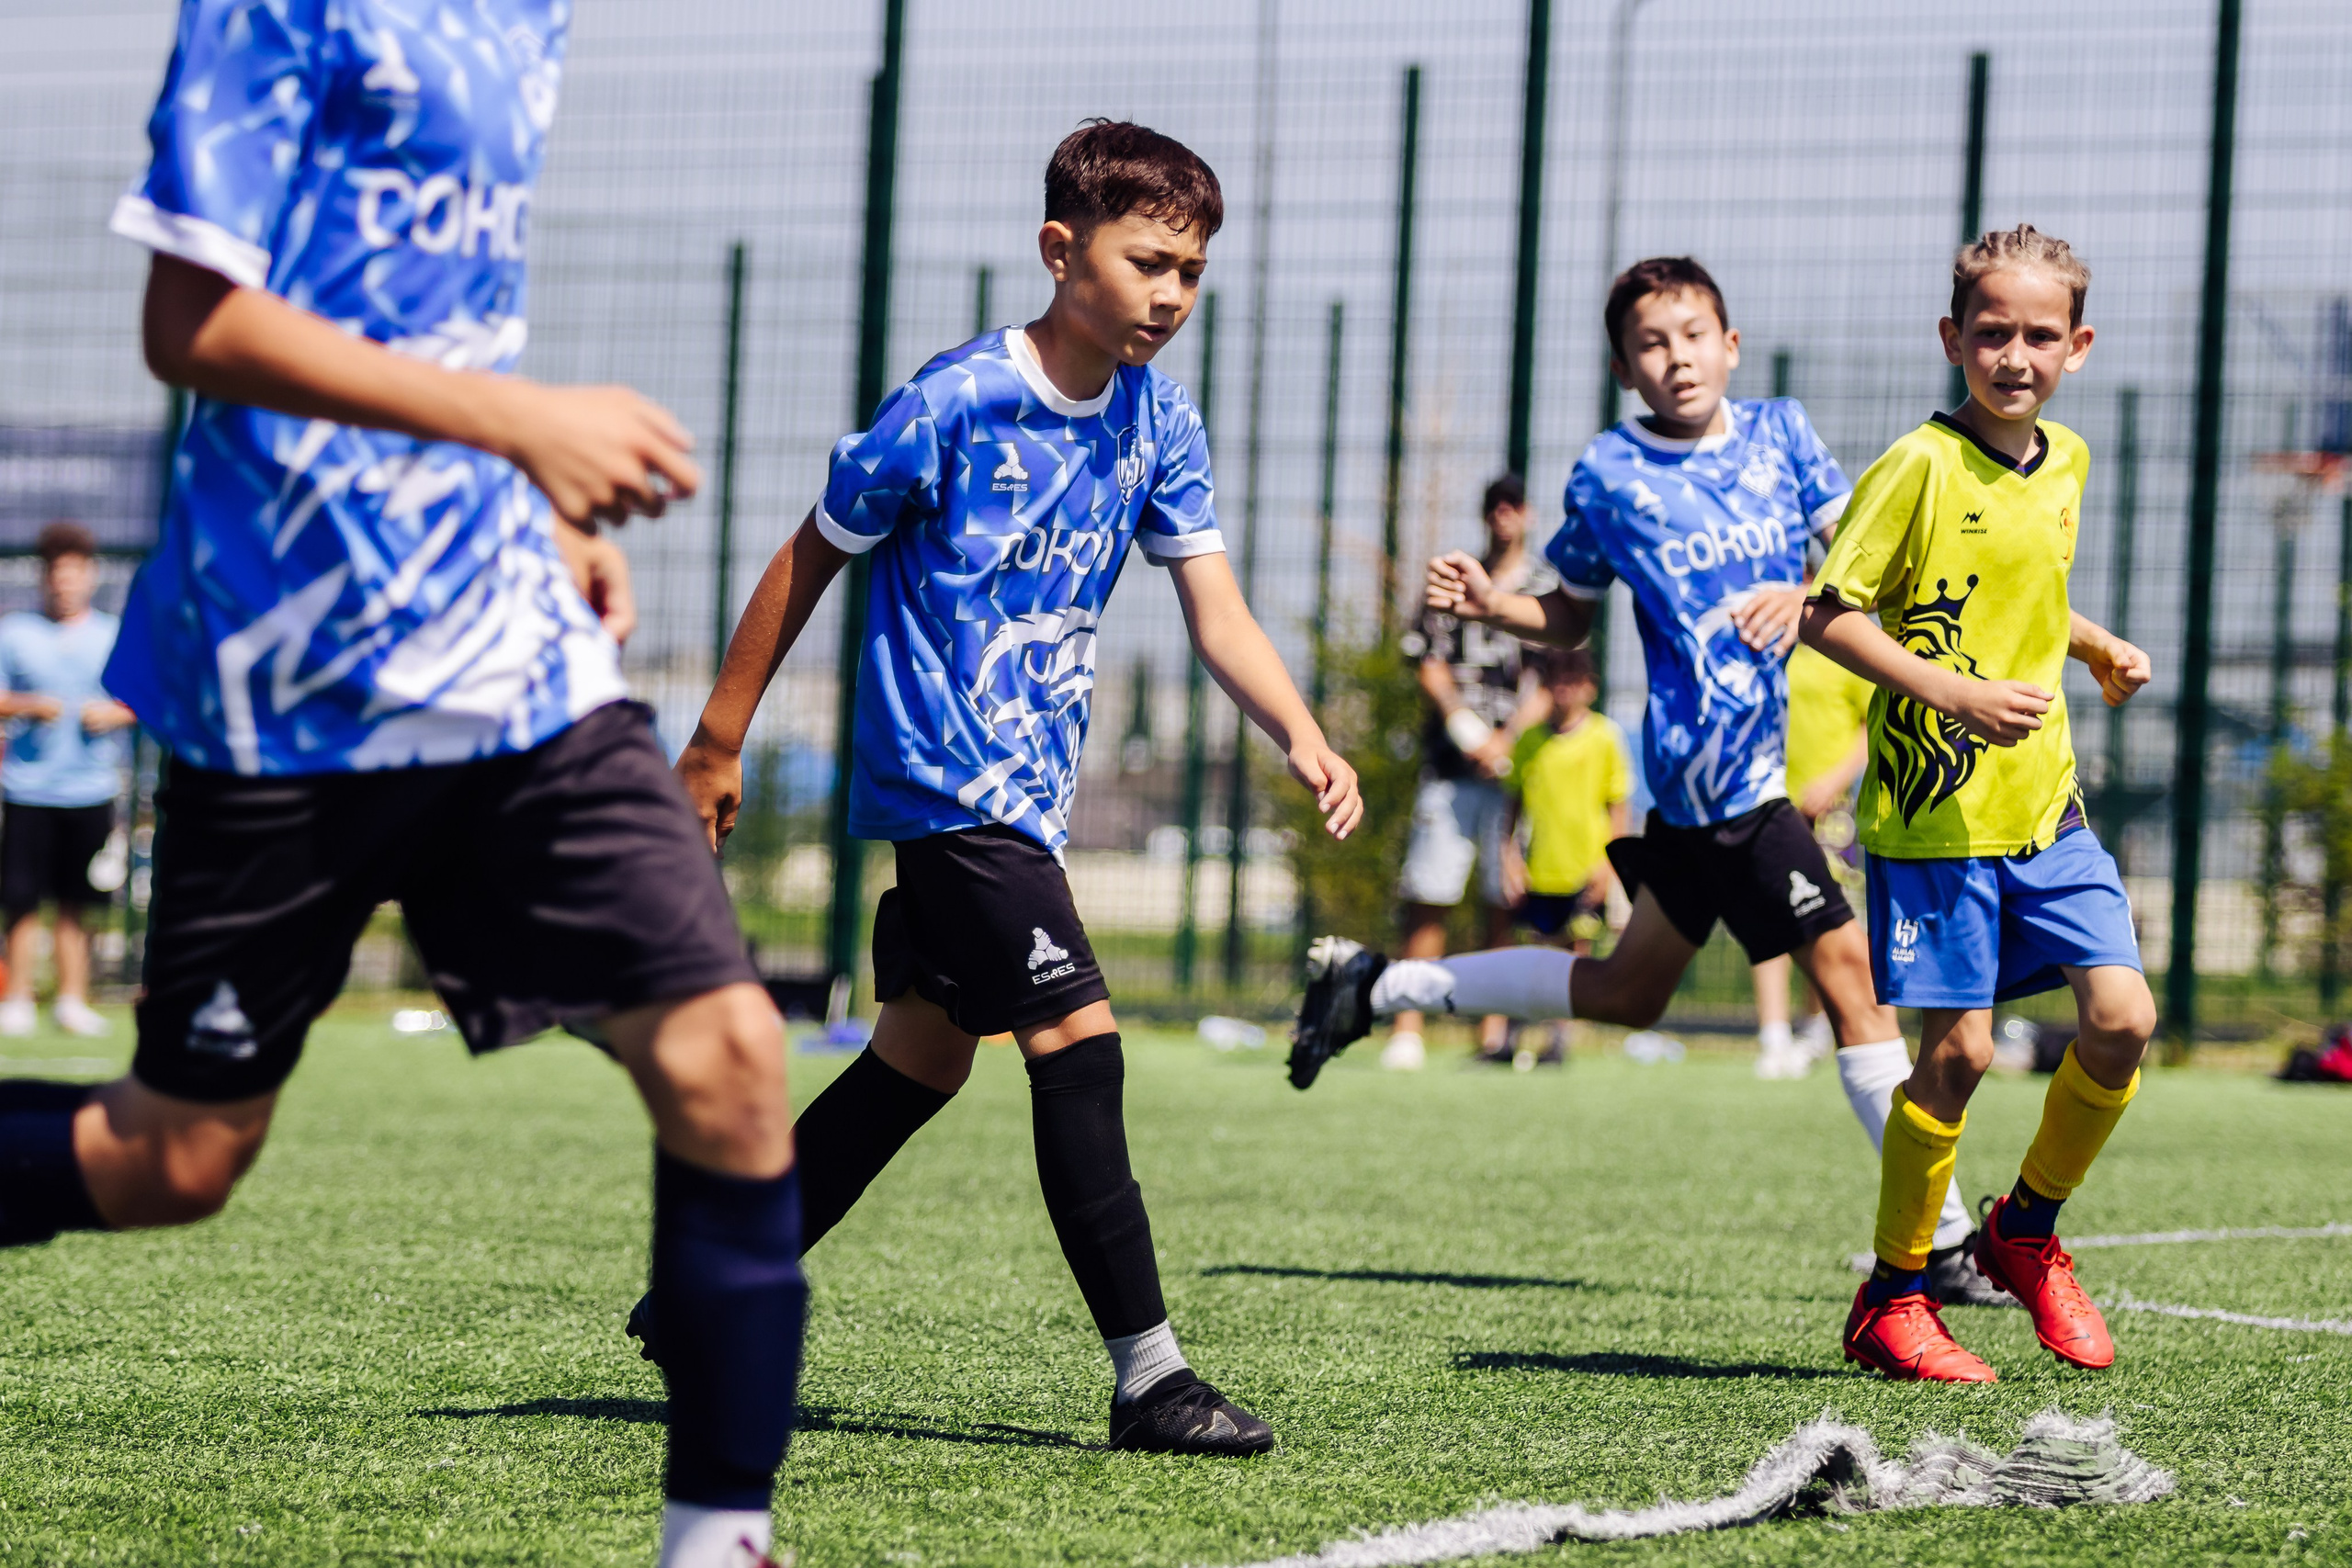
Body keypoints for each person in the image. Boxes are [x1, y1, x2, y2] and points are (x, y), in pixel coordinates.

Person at [0, 9, 809, 1566]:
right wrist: (522, 424)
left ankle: (720, 1542)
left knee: (730, 1058)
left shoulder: (526, 19)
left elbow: (435, 324)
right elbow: (193, 322)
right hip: (284, 676)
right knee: (176, 1160)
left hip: (510, 659)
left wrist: (527, 497)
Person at [628, 121, 1362, 1456]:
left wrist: (1300, 731)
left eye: (1193, 272)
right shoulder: (955, 401)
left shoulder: (1160, 419)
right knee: (1080, 1042)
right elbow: (813, 550)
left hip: (1026, 803)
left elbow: (1214, 607)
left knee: (916, 1063)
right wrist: (718, 736)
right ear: (1059, 251)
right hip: (948, 788)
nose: (1172, 295)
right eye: (1148, 263)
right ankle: (1151, 1378)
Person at [1291, 256, 2000, 1306]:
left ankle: (1374, 987)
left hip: (1720, 795)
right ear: (1625, 368)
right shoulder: (1609, 474)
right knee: (1854, 986)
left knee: (1626, 991)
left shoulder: (1782, 437)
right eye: (1651, 344)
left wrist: (1802, 592)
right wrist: (1492, 605)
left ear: (1731, 346)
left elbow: (1865, 564)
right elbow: (1567, 612)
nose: (1676, 358)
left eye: (1693, 334)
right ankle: (1939, 1246)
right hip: (1723, 793)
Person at [1805, 225, 2154, 1382]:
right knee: (1955, 1058)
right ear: (1951, 338)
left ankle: (2025, 1230)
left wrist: (2091, 645)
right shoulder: (1917, 465)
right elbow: (1830, 615)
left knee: (2122, 1019)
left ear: (2077, 346)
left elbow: (2025, 594)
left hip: (2046, 805)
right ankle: (1893, 1297)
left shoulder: (2068, 462)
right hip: (1936, 819)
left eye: (2039, 335)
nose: (2014, 355)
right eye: (1991, 332)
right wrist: (1951, 692)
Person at [1386, 476, 1554, 1070]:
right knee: (1428, 895)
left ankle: (1494, 1034)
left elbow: (1551, 679)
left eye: (1513, 505)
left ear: (1528, 514)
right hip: (1450, 769)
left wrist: (1505, 740)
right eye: (1493, 506)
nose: (1503, 515)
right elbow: (1426, 660)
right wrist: (1466, 727)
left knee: (1501, 902)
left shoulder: (1546, 588)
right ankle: (1408, 1027)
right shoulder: (1452, 577)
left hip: (1516, 777)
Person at [0, 523, 135, 1039]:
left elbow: (144, 701)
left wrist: (116, 714)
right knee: (20, 899)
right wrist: (29, 705)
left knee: (78, 900)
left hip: (91, 789)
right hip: (27, 787)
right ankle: (17, 998)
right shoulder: (15, 632)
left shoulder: (113, 634)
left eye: (74, 573)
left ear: (91, 576)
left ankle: (72, 1000)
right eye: (56, 573)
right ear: (44, 578)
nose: (65, 583)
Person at [1747, 625, 1873, 1078]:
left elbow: (1870, 726)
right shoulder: (1763, 653)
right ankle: (1773, 1036)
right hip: (1768, 805)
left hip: (1830, 814)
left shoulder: (1847, 648)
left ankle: (1815, 1028)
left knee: (1825, 921)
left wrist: (1833, 781)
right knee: (1768, 918)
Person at [1498, 647, 1631, 1066]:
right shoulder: (1530, 741)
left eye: (1573, 681)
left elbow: (1618, 807)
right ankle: (1513, 1037)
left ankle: (1559, 1039)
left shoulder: (1604, 737)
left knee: (1575, 954)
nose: (1564, 690)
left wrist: (1609, 865)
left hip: (1583, 869)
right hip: (1539, 870)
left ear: (1590, 687)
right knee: (1531, 953)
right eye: (1556, 681)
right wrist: (1509, 859)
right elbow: (1512, 806)